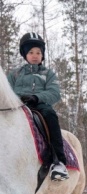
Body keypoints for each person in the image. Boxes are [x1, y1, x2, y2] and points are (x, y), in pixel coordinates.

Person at [7, 32, 69, 181]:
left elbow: (54, 93)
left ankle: (58, 162)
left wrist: (36, 97)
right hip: (17, 106)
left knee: (50, 116)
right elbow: (6, 92)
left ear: (42, 55)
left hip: (39, 105)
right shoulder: (15, 74)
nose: (35, 55)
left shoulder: (48, 74)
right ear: (25, 55)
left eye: (38, 52)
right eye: (31, 52)